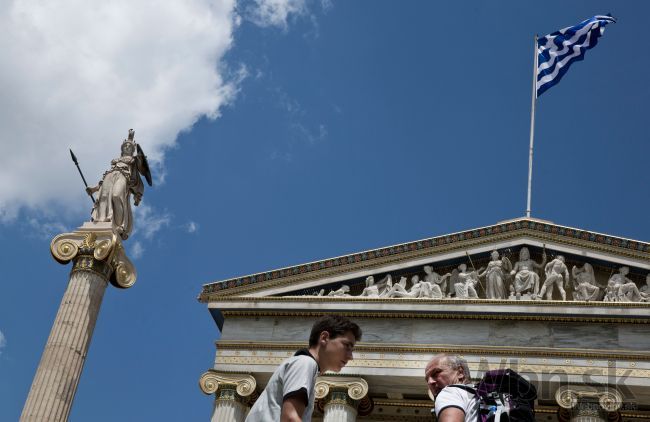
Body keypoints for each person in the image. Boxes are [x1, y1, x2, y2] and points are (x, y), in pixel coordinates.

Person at [245, 315, 362, 422]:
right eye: (347, 346)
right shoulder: (306, 362)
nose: (350, 356)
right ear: (324, 338)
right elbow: (290, 417)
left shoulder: (303, 364)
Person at [86, 129, 151, 240]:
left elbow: (142, 168)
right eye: (125, 146)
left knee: (117, 196)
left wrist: (131, 141)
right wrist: (94, 189)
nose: (127, 147)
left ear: (132, 149)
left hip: (123, 176)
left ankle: (119, 225)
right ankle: (102, 220)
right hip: (109, 176)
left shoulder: (133, 160)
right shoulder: (116, 161)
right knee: (104, 197)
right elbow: (103, 179)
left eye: (129, 147)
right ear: (121, 149)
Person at [425, 354, 478, 421]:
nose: (430, 382)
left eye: (436, 372)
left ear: (460, 372)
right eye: (427, 380)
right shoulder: (477, 397)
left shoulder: (449, 392)